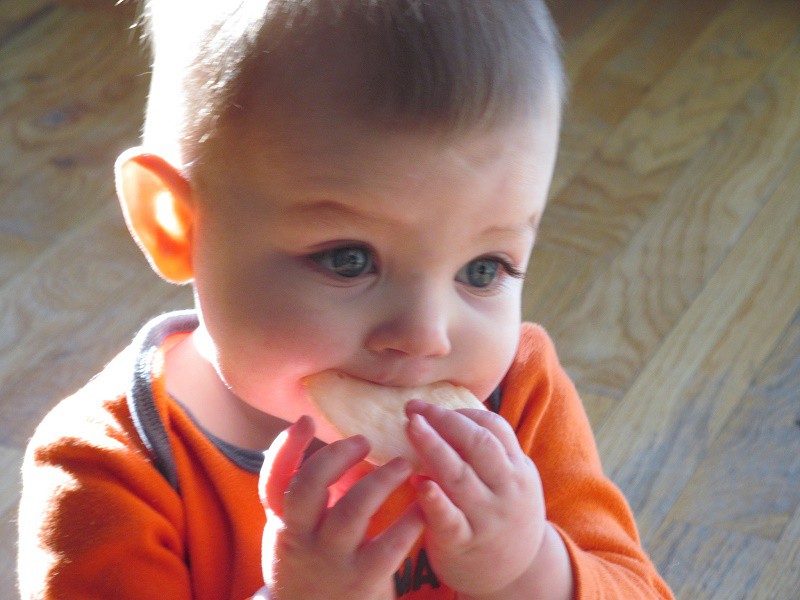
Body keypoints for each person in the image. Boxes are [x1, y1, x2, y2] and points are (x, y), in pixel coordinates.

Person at [18, 1, 674, 598]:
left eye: (483, 269)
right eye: (348, 259)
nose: (426, 336)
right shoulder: (111, 471)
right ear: (178, 225)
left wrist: (531, 569)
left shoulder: (518, 403)